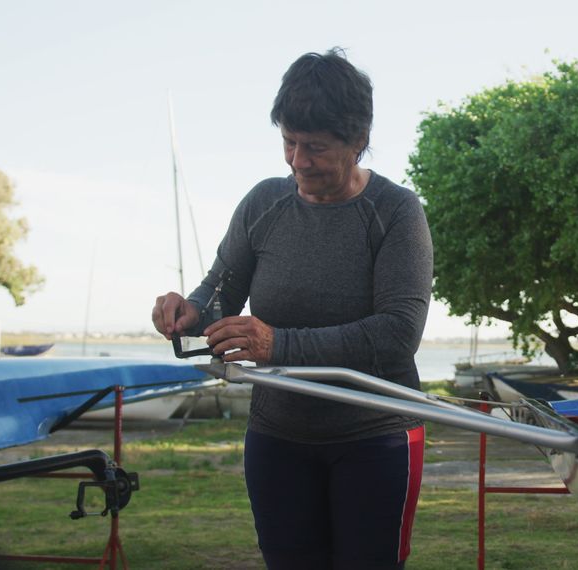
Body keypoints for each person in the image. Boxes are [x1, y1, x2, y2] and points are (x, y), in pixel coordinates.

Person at [151, 48, 433, 570]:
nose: (298, 160)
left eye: (316, 147)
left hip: (375, 439)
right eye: (288, 142)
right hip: (277, 437)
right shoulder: (264, 204)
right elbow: (220, 292)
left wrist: (277, 344)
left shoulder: (396, 212)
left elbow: (398, 334)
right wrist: (189, 312)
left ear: (359, 142)